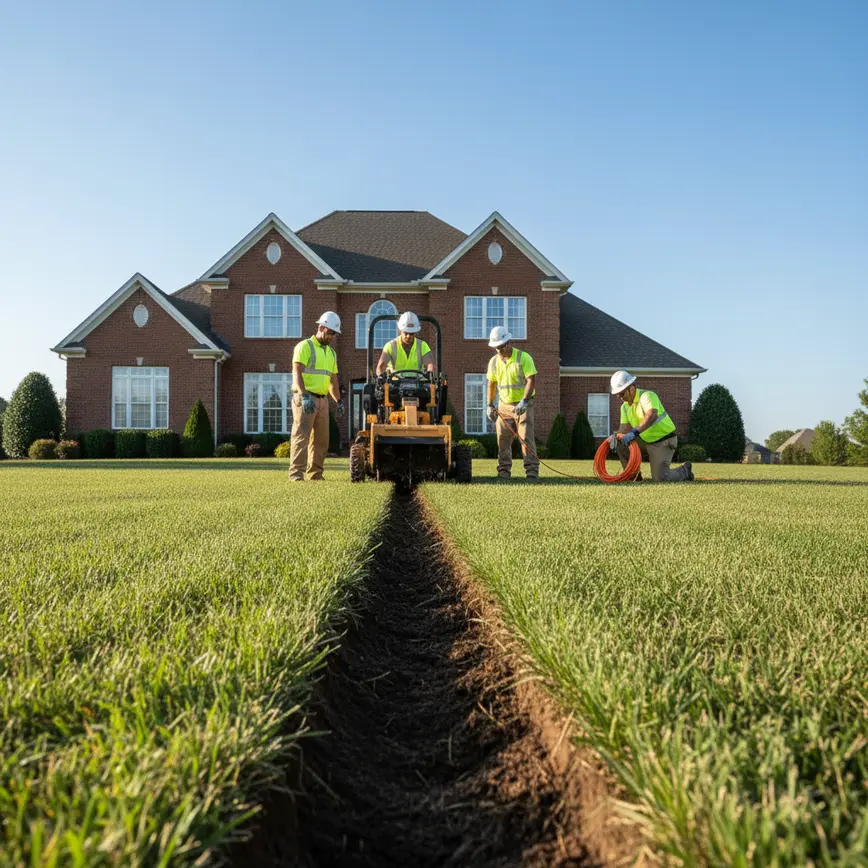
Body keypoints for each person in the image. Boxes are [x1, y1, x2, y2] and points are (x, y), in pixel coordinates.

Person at [288, 311, 345, 481]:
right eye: (330, 333)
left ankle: (316, 475)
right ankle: (296, 475)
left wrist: (339, 401)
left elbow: (333, 381)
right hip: (305, 398)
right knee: (301, 437)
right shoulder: (305, 346)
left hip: (323, 400)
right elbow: (296, 373)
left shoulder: (331, 353)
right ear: (320, 327)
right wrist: (303, 395)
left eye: (334, 334)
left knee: (321, 441)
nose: (332, 337)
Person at [610, 370, 694, 482]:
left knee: (660, 479)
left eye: (621, 393)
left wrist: (634, 432)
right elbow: (624, 429)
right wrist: (614, 437)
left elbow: (652, 414)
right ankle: (634, 477)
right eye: (617, 394)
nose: (620, 397)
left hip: (664, 441)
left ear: (631, 388)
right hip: (646, 440)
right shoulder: (624, 407)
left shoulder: (647, 396)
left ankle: (685, 471)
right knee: (621, 444)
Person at [486, 326, 539, 481]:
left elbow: (531, 380)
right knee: (502, 440)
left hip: (523, 405)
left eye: (501, 347)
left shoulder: (523, 357)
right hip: (504, 406)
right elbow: (492, 383)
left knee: (525, 439)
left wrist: (524, 401)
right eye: (496, 348)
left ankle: (532, 473)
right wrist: (489, 404)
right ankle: (503, 473)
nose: (499, 351)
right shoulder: (494, 362)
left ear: (509, 343)